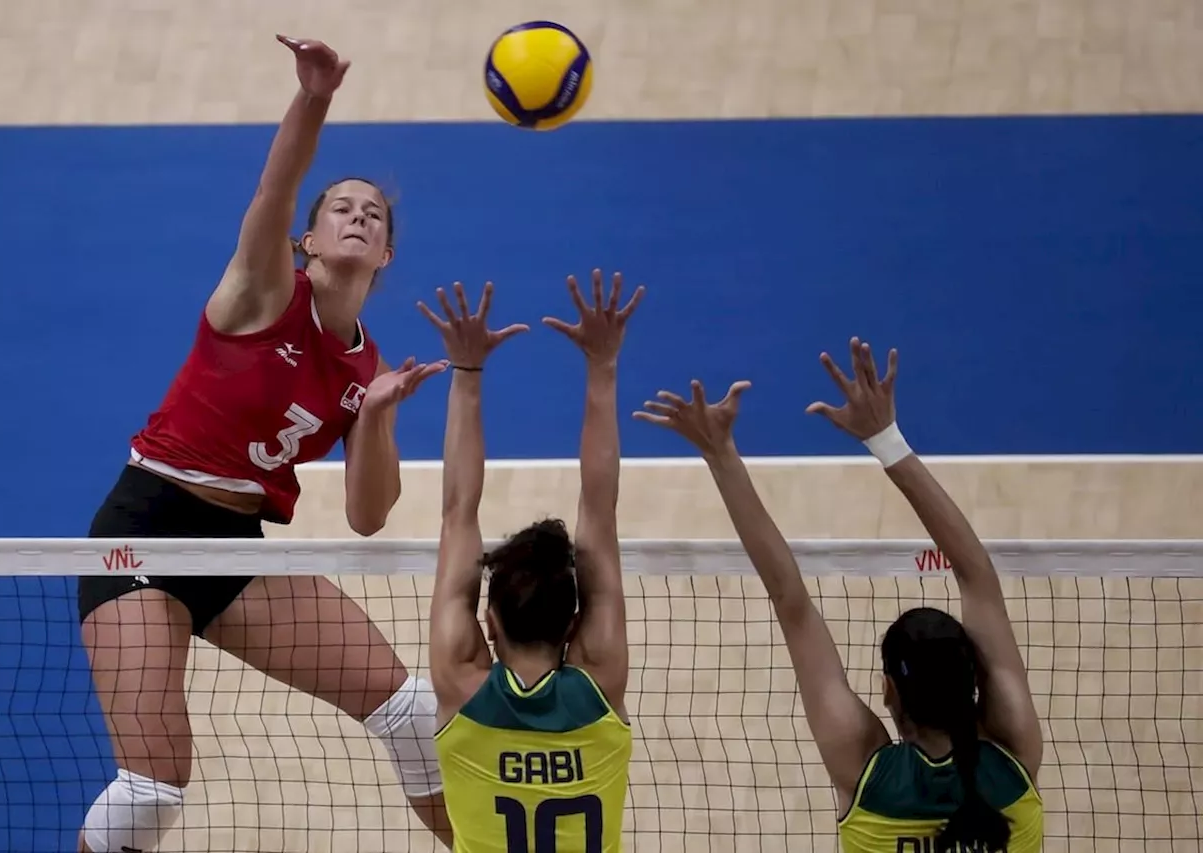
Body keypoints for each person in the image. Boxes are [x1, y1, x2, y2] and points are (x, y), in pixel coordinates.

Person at [75, 36, 451, 853]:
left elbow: (367, 517)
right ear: (308, 240)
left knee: (412, 710)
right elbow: (274, 190)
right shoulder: (261, 289)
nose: (357, 215)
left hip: (236, 549)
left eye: (373, 214)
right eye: (340, 209)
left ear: (385, 255)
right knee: (153, 786)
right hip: (144, 530)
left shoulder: (366, 365)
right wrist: (314, 96)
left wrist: (378, 414)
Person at [635, 337, 1045, 853]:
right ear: (975, 683)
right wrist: (887, 441)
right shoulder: (1013, 756)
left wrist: (721, 455)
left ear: (889, 691)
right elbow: (977, 574)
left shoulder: (866, 771)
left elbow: (791, 602)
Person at [418, 273, 644, 853]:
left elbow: (456, 513)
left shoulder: (462, 684)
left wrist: (465, 374)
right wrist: (604, 366)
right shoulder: (600, 682)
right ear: (574, 623)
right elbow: (601, 510)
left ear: (487, 620)